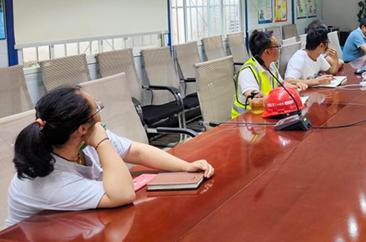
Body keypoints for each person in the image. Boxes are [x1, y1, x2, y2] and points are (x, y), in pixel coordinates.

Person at [6, 85, 214, 227]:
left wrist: (185, 166)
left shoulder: (80, 140)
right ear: (82, 129)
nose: (100, 111)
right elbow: (122, 194)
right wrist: (102, 143)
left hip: (78, 225)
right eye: (97, 107)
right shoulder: (48, 180)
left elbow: (136, 151)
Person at [232, 30, 307, 118]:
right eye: (277, 46)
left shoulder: (271, 65)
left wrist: (296, 87)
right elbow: (255, 101)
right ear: (267, 52)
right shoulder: (248, 71)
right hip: (246, 119)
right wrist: (280, 99)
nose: (279, 49)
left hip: (268, 113)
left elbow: (282, 84)